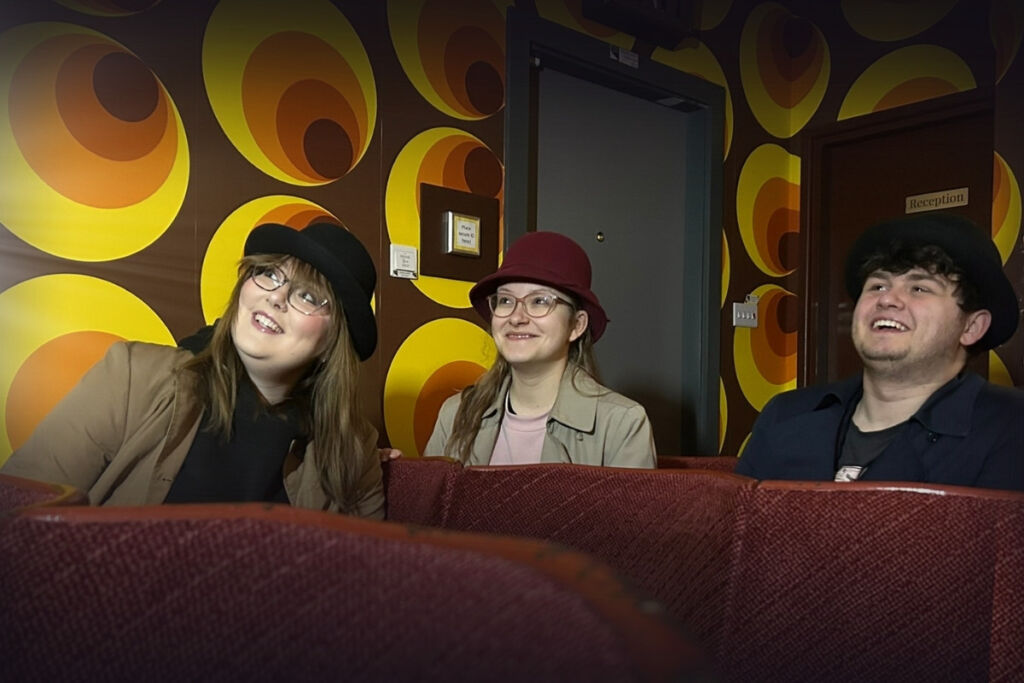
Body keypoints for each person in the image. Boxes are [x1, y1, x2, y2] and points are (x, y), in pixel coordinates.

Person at [2, 222, 385, 516]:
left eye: (308, 295)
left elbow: (364, 582)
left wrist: (360, 455)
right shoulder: (132, 377)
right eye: (270, 274)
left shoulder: (354, 450)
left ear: (333, 343)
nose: (276, 297)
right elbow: (16, 511)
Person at [735, 212, 1023, 491]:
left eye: (919, 289)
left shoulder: (1011, 427)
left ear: (971, 327)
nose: (887, 299)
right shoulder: (785, 415)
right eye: (878, 285)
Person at [424, 231, 656, 467]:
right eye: (505, 300)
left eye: (539, 301)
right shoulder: (456, 413)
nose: (516, 318)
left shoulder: (622, 424)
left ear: (576, 325)